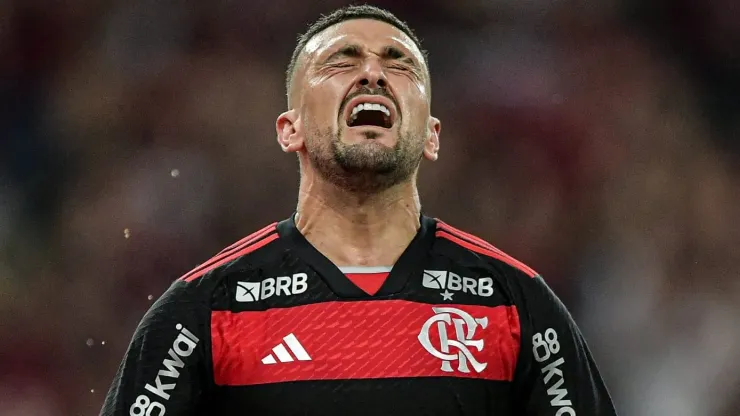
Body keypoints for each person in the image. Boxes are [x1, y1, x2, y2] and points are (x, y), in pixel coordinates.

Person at [101, 5, 617, 416]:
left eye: (400, 64)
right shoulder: (205, 312)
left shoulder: (515, 304)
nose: (373, 73)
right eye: (342, 61)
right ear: (290, 129)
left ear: (432, 136)